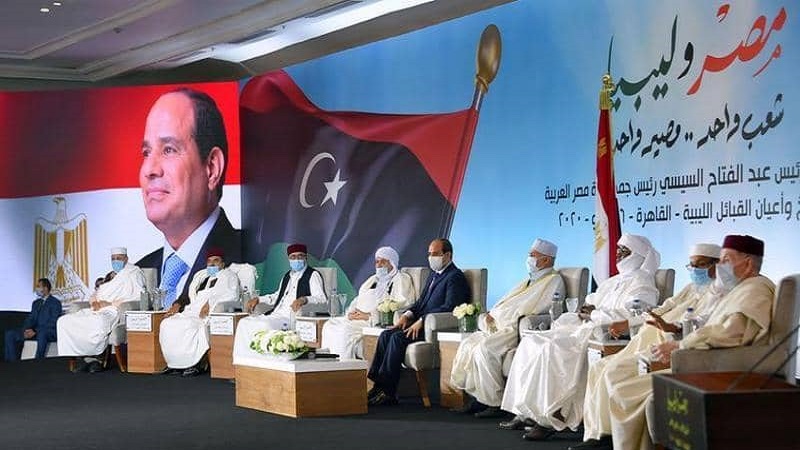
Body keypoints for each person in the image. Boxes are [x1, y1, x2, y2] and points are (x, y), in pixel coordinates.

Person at [572, 235, 774, 450]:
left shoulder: (755, 289)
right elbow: (705, 323)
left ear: (748, 263)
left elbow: (728, 333)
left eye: (725, 260)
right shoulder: (738, 288)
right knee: (613, 375)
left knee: (623, 386)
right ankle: (604, 437)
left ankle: (615, 441)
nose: (720, 267)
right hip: (688, 351)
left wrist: (679, 345)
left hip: (709, 362)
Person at [499, 233, 660, 439]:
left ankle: (552, 417)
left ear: (638, 255)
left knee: (552, 348)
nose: (618, 255)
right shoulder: (614, 280)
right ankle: (526, 412)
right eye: (618, 250)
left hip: (600, 332)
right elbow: (593, 299)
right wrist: (587, 308)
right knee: (531, 341)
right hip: (584, 325)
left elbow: (633, 315)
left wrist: (594, 313)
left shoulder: (643, 282)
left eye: (624, 251)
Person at [579, 243, 723, 449]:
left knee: (613, 372)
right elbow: (662, 308)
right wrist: (629, 322)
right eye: (691, 265)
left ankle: (614, 437)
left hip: (667, 344)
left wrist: (672, 326)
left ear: (717, 265)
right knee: (599, 368)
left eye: (700, 265)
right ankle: (598, 433)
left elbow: (702, 324)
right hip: (648, 337)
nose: (694, 270)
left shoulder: (720, 292)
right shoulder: (691, 288)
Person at [136, 88, 241, 312]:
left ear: (211, 168)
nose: (149, 169)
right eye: (146, 152)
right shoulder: (137, 274)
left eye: (169, 149)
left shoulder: (248, 265)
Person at [449, 238, 566, 418]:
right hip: (499, 324)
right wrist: (493, 314)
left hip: (513, 327)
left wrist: (499, 318)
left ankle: (494, 402)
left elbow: (539, 308)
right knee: (469, 344)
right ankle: (478, 398)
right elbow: (508, 302)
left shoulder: (554, 280)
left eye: (533, 255)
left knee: (485, 349)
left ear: (546, 259)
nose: (529, 258)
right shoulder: (529, 280)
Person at [368, 238, 471, 406]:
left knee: (397, 338)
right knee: (386, 335)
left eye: (435, 254)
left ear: (447, 255)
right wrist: (407, 315)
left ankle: (388, 391)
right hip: (418, 323)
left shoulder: (455, 277)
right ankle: (377, 385)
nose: (431, 258)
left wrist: (422, 320)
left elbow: (450, 307)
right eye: (429, 254)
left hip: (434, 328)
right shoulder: (434, 276)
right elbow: (420, 303)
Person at [57, 247, 146, 373]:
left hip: (113, 309)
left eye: (119, 258)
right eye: (113, 259)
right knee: (65, 321)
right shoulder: (111, 276)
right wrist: (94, 302)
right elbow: (98, 292)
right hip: (97, 308)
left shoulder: (134, 273)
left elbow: (138, 295)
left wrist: (109, 303)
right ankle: (83, 357)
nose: (115, 261)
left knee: (99, 322)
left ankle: (97, 359)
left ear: (126, 259)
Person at [232, 243, 326, 359]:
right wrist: (259, 299)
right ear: (289, 259)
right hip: (275, 314)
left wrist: (304, 299)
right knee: (244, 323)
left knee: (263, 325)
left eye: (300, 256)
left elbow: (321, 298)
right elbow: (277, 296)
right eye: (293, 257)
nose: (296, 259)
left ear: (305, 257)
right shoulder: (287, 276)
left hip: (290, 317)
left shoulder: (313, 275)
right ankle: (244, 361)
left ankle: (265, 362)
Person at [320, 246, 416, 359]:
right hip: (357, 318)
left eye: (383, 261)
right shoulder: (372, 280)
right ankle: (327, 362)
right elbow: (357, 299)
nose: (379, 265)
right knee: (329, 325)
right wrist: (351, 313)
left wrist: (369, 316)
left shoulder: (401, 279)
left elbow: (401, 304)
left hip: (372, 321)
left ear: (392, 263)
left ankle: (344, 366)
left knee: (345, 330)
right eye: (377, 261)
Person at [159, 248, 240, 376]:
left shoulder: (228, 276)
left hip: (207, 313)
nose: (212, 264)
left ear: (223, 263)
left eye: (216, 261)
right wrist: (177, 304)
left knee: (188, 326)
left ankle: (194, 364)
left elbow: (231, 294)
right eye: (209, 261)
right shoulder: (200, 275)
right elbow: (186, 295)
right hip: (192, 310)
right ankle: (174, 363)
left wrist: (210, 303)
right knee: (166, 323)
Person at [4, 278, 62, 361]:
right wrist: (26, 330)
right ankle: (12, 363)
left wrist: (35, 331)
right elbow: (30, 319)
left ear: (45, 288)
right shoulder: (36, 303)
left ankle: (37, 362)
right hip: (34, 332)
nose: (36, 289)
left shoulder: (55, 303)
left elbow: (53, 322)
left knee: (42, 334)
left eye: (38, 286)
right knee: (10, 334)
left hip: (48, 332)